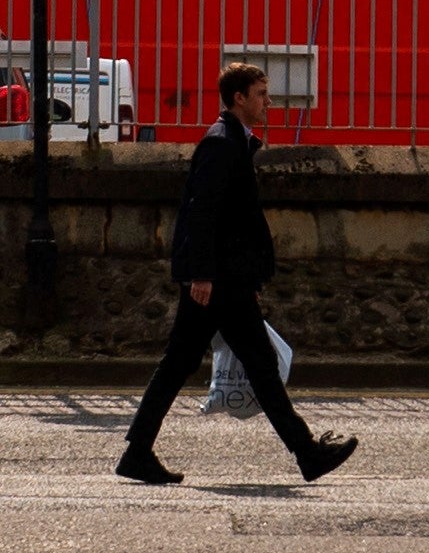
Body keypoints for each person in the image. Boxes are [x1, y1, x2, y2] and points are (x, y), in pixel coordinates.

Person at [119, 64, 355, 486]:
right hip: (218, 280)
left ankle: (137, 451)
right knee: (247, 365)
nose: (269, 101)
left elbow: (227, 219)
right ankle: (307, 454)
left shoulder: (234, 142)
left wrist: (244, 280)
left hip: (227, 279)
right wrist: (203, 274)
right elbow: (202, 212)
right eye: (262, 93)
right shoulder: (222, 143)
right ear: (239, 98)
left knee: (190, 363)